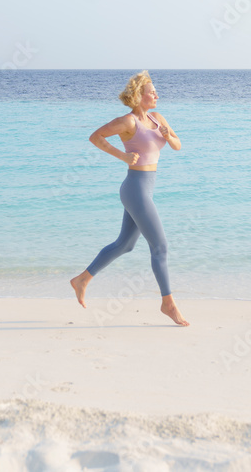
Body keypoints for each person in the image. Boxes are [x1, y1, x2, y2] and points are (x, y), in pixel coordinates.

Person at [70, 70, 189, 326]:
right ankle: (168, 304)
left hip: (145, 188)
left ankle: (82, 280)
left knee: (125, 245)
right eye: (151, 91)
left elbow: (178, 145)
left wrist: (168, 136)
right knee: (160, 247)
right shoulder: (128, 122)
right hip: (135, 188)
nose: (156, 94)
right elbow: (95, 136)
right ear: (139, 96)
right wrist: (121, 156)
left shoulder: (157, 119)